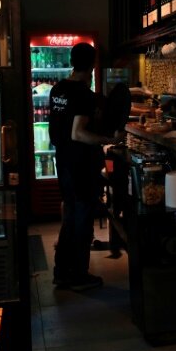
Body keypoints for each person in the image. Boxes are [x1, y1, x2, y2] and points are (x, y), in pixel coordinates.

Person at [49, 42, 124, 291]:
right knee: (81, 219)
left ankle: (62, 271)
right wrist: (109, 140)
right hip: (81, 164)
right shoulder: (83, 94)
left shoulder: (58, 89)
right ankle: (79, 275)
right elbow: (79, 133)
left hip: (64, 162)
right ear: (92, 65)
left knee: (71, 216)